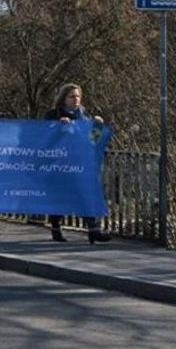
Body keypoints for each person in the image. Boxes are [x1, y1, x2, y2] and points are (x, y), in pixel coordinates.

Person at [45, 84, 113, 244]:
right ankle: (56, 227)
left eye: (78, 96)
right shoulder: (53, 115)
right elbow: (44, 139)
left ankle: (93, 229)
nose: (76, 100)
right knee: (62, 197)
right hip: (59, 164)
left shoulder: (83, 118)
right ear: (64, 99)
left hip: (79, 164)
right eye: (72, 97)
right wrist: (58, 128)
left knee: (85, 194)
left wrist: (97, 126)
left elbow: (92, 141)